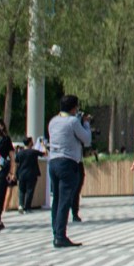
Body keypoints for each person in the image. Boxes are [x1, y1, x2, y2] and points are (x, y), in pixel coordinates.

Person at [46, 96, 93, 249]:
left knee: (57, 200)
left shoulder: (53, 121)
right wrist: (85, 123)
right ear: (74, 108)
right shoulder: (73, 122)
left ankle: (56, 232)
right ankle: (60, 236)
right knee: (65, 200)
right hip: (68, 162)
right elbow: (86, 139)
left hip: (53, 162)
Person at [13, 141, 41, 213]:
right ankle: (27, 207)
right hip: (32, 174)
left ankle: (21, 205)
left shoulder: (19, 153)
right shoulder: (34, 152)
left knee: (22, 190)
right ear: (29, 143)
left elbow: (16, 164)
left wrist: (14, 174)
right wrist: (43, 145)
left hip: (21, 174)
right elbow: (45, 153)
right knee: (30, 191)